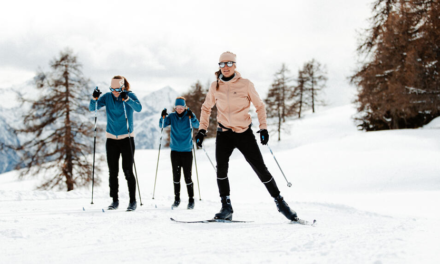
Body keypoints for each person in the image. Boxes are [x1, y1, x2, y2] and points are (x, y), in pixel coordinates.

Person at [195, 51, 299, 221]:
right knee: (221, 169)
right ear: (219, 66)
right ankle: (226, 207)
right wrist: (202, 130)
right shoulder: (215, 86)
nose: (226, 67)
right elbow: (206, 108)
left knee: (261, 169)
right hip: (224, 134)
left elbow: (260, 106)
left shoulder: (246, 84)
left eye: (229, 63)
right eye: (222, 64)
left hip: (244, 133)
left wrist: (264, 128)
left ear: (235, 65)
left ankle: (281, 204)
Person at [89, 75, 142, 211]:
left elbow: (138, 108)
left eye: (117, 89)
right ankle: (115, 201)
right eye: (112, 89)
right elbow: (92, 108)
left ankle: (132, 201)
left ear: (123, 87)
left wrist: (127, 99)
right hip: (111, 139)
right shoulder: (107, 97)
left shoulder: (129, 95)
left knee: (128, 170)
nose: (115, 92)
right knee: (113, 172)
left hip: (127, 138)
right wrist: (94, 98)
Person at [159, 97, 200, 209]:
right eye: (177, 107)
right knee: (176, 177)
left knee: (188, 177)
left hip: (187, 151)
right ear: (175, 107)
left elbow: (197, 125)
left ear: (185, 107)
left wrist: (193, 116)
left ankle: (191, 200)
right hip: (175, 151)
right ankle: (176, 199)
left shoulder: (189, 116)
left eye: (182, 107)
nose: (180, 109)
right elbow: (162, 125)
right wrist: (162, 117)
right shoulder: (172, 116)